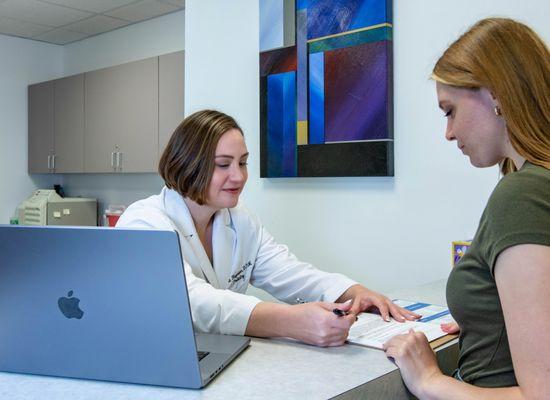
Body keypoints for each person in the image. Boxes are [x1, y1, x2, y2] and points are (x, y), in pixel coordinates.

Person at [117, 109, 419, 346]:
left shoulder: (239, 219)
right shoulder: (144, 223)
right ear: (187, 163)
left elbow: (290, 273)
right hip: (153, 366)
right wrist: (290, 322)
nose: (238, 177)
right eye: (223, 164)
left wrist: (352, 292)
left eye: (243, 163)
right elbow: (191, 303)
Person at [383, 18, 550, 399]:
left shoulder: (522, 195)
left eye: (450, 111)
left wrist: (429, 381)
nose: (449, 133)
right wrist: (488, 324)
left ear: (495, 95)